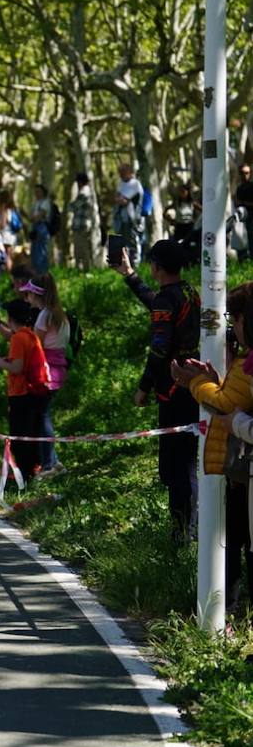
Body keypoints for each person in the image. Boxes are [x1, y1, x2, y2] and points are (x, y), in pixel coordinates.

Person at [112, 239, 200, 540]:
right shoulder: (188, 292)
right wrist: (129, 276)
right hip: (194, 383)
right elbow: (157, 303)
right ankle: (189, 525)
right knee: (186, 459)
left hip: (173, 389)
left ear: (157, 267)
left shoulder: (168, 299)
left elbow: (159, 348)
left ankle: (181, 530)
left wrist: (143, 387)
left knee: (174, 466)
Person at [174, 282, 253, 606]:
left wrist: (195, 383)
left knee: (240, 542)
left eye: (235, 319)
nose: (233, 327)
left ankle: (231, 609)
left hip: (245, 470)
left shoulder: (250, 365)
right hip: (240, 470)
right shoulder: (245, 362)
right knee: (237, 540)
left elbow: (226, 402)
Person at [0, 299, 51, 480]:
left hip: (21, 393)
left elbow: (17, 368)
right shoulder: (30, 335)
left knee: (20, 436)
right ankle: (30, 469)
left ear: (10, 318)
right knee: (30, 433)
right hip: (35, 392)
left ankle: (24, 473)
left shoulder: (18, 338)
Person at [21, 275, 70, 473]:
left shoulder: (44, 315)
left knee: (42, 417)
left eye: (28, 293)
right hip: (59, 368)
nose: (27, 297)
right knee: (43, 415)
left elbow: (36, 345)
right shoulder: (60, 314)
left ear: (36, 294)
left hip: (46, 370)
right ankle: (53, 461)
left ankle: (49, 464)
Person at [70, 173, 98, 269]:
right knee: (81, 248)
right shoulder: (88, 192)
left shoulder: (83, 193)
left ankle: (85, 269)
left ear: (80, 182)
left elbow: (73, 207)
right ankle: (83, 269)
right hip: (82, 224)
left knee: (81, 249)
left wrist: (71, 204)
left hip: (81, 225)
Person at [112, 189, 142, 267]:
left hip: (130, 225)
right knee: (122, 246)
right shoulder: (117, 208)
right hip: (121, 226)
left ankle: (135, 264)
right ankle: (123, 264)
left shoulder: (132, 206)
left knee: (132, 245)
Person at [30, 184, 54, 274]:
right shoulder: (36, 203)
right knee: (34, 251)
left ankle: (43, 273)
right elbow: (31, 216)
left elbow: (40, 216)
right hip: (35, 227)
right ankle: (36, 272)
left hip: (42, 227)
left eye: (38, 191)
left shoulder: (46, 202)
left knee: (41, 251)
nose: (37, 194)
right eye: (35, 192)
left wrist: (35, 218)